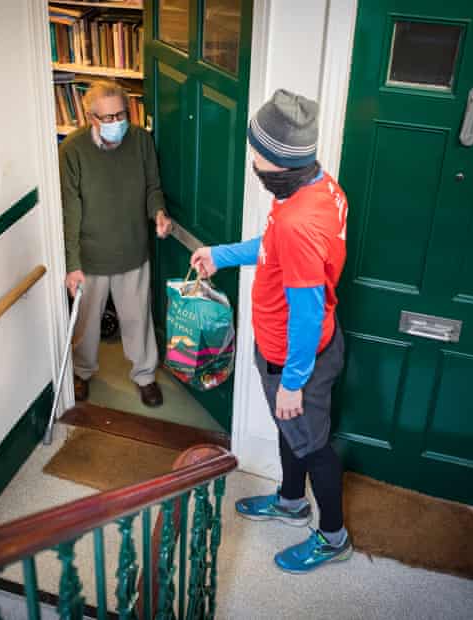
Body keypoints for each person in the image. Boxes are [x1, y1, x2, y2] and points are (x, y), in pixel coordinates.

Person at [190, 89, 351, 573]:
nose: (252, 161)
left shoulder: (299, 222)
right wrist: (223, 255)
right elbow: (273, 245)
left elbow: (307, 309)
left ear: (279, 162)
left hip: (297, 355)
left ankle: (332, 536)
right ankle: (290, 502)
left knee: (315, 447)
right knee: (294, 433)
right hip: (297, 348)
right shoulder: (317, 188)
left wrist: (293, 382)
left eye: (257, 154)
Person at [60, 81, 173, 407]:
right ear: (89, 117)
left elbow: (153, 186)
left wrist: (159, 213)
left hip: (132, 248)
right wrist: (72, 263)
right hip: (90, 256)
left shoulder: (140, 141)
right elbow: (71, 209)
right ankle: (82, 373)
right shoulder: (72, 149)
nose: (114, 123)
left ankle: (145, 376)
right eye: (105, 118)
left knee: (138, 317)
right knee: (86, 322)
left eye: (120, 115)